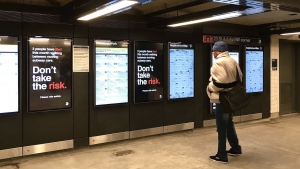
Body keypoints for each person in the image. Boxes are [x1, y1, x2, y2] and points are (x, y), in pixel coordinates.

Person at [206, 41, 242, 164]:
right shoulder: (233, 61)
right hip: (232, 98)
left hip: (222, 99)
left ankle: (222, 155)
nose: (213, 53)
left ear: (218, 51)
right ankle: (235, 148)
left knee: (221, 127)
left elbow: (220, 83)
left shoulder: (218, 63)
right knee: (229, 124)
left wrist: (211, 87)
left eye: (213, 51)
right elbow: (240, 78)